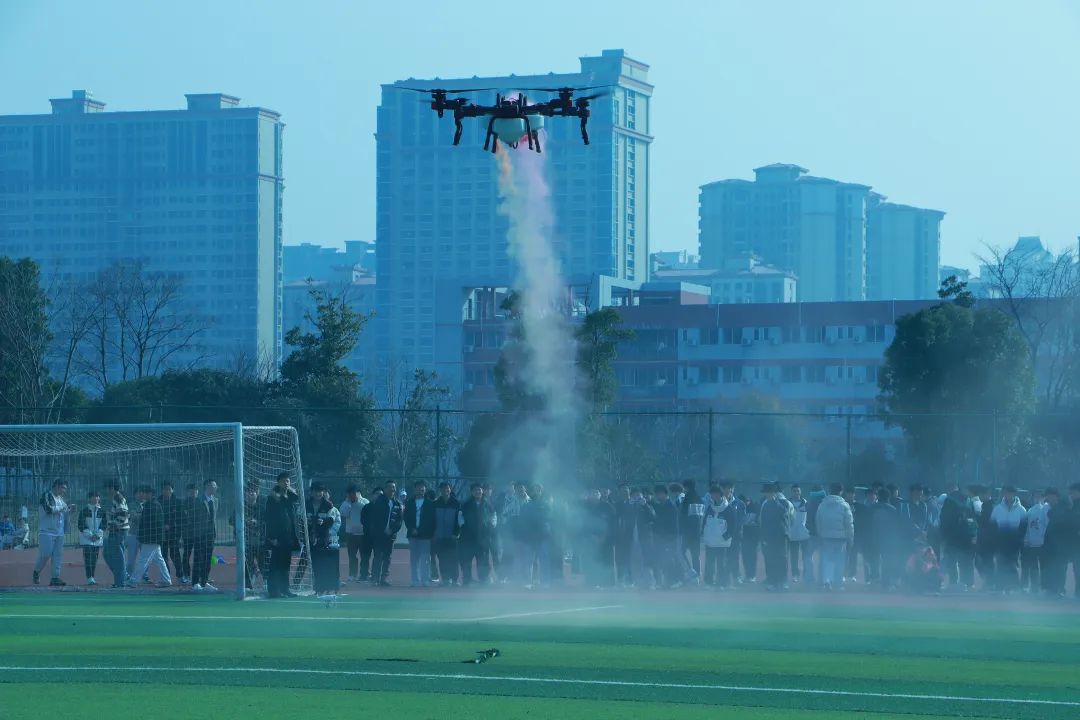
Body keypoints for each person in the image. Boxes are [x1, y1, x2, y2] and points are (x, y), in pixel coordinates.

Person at [33, 480, 78, 587]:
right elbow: (48, 509)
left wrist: (70, 510)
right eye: (63, 488)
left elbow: (63, 512)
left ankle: (55, 578)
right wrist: (62, 508)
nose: (64, 491)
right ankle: (36, 571)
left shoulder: (61, 499)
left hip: (59, 532)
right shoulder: (47, 495)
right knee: (45, 554)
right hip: (47, 531)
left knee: (58, 555)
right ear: (57, 486)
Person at [263, 483, 300, 598]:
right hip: (277, 538)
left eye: (288, 481)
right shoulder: (272, 500)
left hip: (288, 537)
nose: (286, 483)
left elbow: (296, 497)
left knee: (285, 565)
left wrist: (289, 489)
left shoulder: (289, 499)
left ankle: (285, 589)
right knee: (275, 565)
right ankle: (274, 590)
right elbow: (269, 519)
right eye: (284, 481)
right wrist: (271, 537)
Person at [816, 482, 854, 591]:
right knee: (839, 561)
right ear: (841, 492)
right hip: (841, 538)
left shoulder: (822, 504)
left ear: (830, 490)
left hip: (826, 537)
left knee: (827, 560)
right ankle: (838, 583)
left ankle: (827, 581)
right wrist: (850, 537)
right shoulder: (844, 505)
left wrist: (820, 534)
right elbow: (849, 524)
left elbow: (818, 521)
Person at [132, 485, 172, 587]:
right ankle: (166, 579)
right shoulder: (152, 504)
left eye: (145, 492)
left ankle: (134, 580)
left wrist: (143, 536)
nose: (143, 494)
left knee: (143, 559)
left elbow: (149, 524)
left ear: (150, 494)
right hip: (153, 537)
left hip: (151, 538)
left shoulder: (152, 505)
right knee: (159, 559)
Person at [938, 485, 977, 591]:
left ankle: (967, 583)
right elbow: (944, 519)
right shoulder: (950, 500)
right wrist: (944, 536)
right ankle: (953, 582)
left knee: (967, 560)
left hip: (967, 536)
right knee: (952, 559)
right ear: (962, 489)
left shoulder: (969, 501)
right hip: (953, 536)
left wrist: (973, 533)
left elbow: (973, 519)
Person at [459, 482, 498, 586]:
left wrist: (492, 525)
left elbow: (494, 515)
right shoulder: (466, 504)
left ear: (482, 491)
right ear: (471, 492)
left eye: (479, 489)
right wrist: (463, 526)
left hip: (483, 538)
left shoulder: (488, 504)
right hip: (469, 538)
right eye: (475, 490)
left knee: (483, 559)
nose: (477, 492)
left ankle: (483, 579)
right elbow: (460, 517)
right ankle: (467, 580)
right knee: (467, 559)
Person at [990, 485, 1026, 593]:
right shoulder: (997, 509)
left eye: (1010, 493)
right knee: (1000, 563)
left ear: (1014, 494)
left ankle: (1012, 587)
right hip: (1000, 541)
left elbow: (1024, 528)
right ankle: (999, 587)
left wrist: (1019, 540)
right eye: (1005, 493)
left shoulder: (1021, 510)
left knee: (1012, 564)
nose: (1007, 495)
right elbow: (992, 526)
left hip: (1014, 542)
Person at [366, 480, 403, 587]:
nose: (392, 489)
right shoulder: (379, 502)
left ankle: (384, 578)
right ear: (385, 489)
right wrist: (382, 529)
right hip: (379, 534)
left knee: (387, 557)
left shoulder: (397, 504)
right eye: (390, 487)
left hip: (391, 536)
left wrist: (392, 530)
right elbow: (375, 518)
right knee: (378, 556)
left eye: (393, 487)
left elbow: (399, 521)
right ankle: (375, 578)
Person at [758, 482, 793, 592]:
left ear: (775, 493)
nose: (767, 494)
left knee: (782, 559)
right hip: (769, 537)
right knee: (770, 559)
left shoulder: (784, 502)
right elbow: (763, 522)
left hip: (782, 536)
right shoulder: (765, 504)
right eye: (766, 493)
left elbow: (784, 513)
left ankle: (783, 582)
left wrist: (775, 502)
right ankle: (772, 582)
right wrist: (763, 537)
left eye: (770, 492)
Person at [308, 483, 341, 595]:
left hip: (323, 539)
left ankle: (326, 587)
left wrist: (323, 522)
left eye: (320, 491)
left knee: (323, 563)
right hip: (308, 538)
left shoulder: (328, 505)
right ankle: (318, 588)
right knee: (314, 564)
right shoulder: (306, 504)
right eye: (316, 491)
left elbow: (332, 520)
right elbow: (299, 519)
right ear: (311, 492)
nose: (318, 493)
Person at [578, 488, 615, 588]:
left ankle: (607, 583)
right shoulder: (585, 507)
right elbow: (583, 523)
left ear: (600, 495)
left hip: (605, 540)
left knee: (605, 561)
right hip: (589, 539)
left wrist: (604, 536)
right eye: (592, 493)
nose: (594, 495)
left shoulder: (607, 506)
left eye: (596, 493)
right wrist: (591, 536)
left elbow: (612, 523)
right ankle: (591, 582)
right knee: (590, 560)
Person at [701, 484, 734, 589]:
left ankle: (722, 584)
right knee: (709, 563)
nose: (714, 496)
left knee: (721, 564)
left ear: (720, 494)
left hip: (722, 543)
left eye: (716, 494)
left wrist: (725, 537)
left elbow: (733, 525)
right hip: (710, 542)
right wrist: (704, 534)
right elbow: (704, 523)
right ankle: (708, 582)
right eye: (712, 494)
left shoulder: (728, 508)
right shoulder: (709, 508)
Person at [403, 480, 436, 587]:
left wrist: (421, 530)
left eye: (422, 488)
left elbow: (431, 520)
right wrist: (412, 528)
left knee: (425, 559)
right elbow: (406, 518)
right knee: (414, 558)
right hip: (412, 535)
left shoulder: (430, 504)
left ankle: (425, 579)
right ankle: (414, 580)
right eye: (418, 488)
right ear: (414, 490)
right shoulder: (409, 502)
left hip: (425, 535)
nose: (420, 490)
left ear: (425, 489)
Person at [649, 485, 682, 589]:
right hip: (661, 538)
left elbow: (671, 525)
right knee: (663, 560)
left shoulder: (670, 507)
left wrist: (669, 539)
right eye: (657, 494)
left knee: (670, 559)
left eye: (660, 493)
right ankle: (668, 581)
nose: (658, 496)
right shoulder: (659, 506)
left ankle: (675, 580)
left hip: (670, 538)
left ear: (665, 494)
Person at [190, 480, 219, 592]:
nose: (215, 488)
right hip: (200, 534)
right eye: (213, 486)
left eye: (216, 486)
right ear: (207, 486)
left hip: (210, 535)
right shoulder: (199, 500)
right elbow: (193, 517)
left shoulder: (216, 500)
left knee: (207, 559)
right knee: (198, 558)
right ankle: (195, 582)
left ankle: (204, 581)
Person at [431, 481, 461, 586]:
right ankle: (445, 579)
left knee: (453, 558)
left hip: (452, 536)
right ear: (440, 490)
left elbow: (460, 520)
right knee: (442, 558)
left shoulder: (456, 503)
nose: (445, 490)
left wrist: (456, 533)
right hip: (439, 536)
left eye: (447, 488)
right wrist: (434, 533)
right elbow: (432, 520)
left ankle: (455, 579)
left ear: (450, 489)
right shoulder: (435, 503)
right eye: (443, 488)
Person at [339, 484, 370, 583]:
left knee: (364, 555)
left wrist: (357, 503)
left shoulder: (365, 502)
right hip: (350, 533)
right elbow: (344, 514)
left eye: (353, 493)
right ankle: (352, 574)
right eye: (349, 494)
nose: (351, 495)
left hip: (363, 533)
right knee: (352, 555)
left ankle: (365, 574)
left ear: (358, 493)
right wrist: (350, 504)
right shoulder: (345, 503)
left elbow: (367, 514)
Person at [103, 481, 131, 588]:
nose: (106, 491)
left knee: (118, 557)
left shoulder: (119, 499)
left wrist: (115, 525)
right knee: (107, 554)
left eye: (107, 488)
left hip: (118, 531)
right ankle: (123, 576)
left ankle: (120, 582)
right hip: (115, 531)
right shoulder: (116, 499)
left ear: (112, 488)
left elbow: (123, 514)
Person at [501, 481, 530, 584]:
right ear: (515, 489)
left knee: (527, 555)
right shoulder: (510, 500)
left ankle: (528, 578)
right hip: (512, 533)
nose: (520, 489)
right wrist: (507, 529)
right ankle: (505, 577)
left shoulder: (530, 501)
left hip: (527, 533)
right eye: (518, 488)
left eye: (522, 487)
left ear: (525, 488)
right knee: (509, 554)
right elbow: (504, 514)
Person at [77, 490, 106, 585]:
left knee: (94, 558)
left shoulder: (102, 511)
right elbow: (81, 525)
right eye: (93, 496)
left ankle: (92, 577)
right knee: (88, 558)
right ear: (89, 498)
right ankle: (89, 577)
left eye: (97, 496)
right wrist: (90, 535)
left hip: (97, 539)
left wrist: (97, 535)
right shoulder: (84, 511)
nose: (96, 498)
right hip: (86, 539)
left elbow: (104, 525)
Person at [677, 480, 704, 582]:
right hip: (697, 532)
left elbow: (682, 516)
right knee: (695, 555)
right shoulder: (700, 499)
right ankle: (697, 577)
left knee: (681, 552)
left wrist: (681, 529)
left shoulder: (686, 499)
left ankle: (691, 573)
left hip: (687, 532)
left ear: (686, 487)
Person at [1022, 490, 1047, 594]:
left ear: (1044, 497)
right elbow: (1027, 528)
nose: (1037, 499)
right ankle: (1034, 587)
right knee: (1033, 566)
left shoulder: (1045, 509)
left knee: (1044, 566)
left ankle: (1045, 587)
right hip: (1032, 544)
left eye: (1040, 497)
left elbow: (1046, 526)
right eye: (1035, 497)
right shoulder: (1030, 511)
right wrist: (1026, 539)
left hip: (1043, 544)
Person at [787, 484, 810, 583]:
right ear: (791, 492)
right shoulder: (787, 503)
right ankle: (795, 575)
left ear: (800, 492)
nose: (796, 493)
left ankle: (806, 574)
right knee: (794, 556)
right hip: (792, 534)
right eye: (794, 491)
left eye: (798, 491)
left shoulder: (806, 503)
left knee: (806, 556)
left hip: (804, 534)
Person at [159, 481, 183, 582]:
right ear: (162, 490)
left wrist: (171, 526)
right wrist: (162, 526)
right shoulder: (158, 502)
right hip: (161, 533)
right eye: (165, 489)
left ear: (172, 490)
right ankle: (166, 576)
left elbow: (181, 518)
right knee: (163, 555)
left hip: (174, 533)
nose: (167, 491)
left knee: (175, 554)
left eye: (169, 489)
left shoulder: (177, 502)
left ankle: (180, 576)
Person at [178, 483, 199, 585]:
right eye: (191, 491)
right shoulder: (184, 503)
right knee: (187, 554)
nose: (193, 492)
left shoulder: (201, 502)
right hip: (188, 534)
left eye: (195, 491)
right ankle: (186, 575)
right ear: (187, 492)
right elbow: (181, 519)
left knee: (200, 555)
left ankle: (200, 575)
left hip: (199, 533)